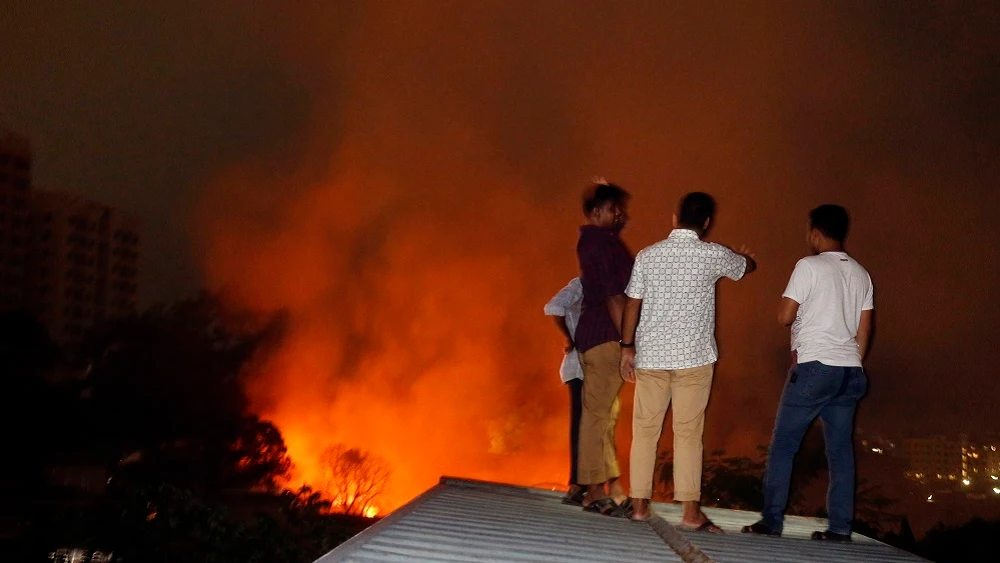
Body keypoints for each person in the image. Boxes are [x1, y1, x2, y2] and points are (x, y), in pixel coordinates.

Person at [619, 192, 757, 529]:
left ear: (673, 217)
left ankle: (639, 505)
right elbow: (744, 268)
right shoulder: (713, 255)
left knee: (645, 432)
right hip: (694, 359)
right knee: (688, 434)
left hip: (651, 356)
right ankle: (690, 513)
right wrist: (744, 258)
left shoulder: (648, 256)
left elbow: (632, 303)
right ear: (707, 223)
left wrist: (627, 347)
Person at [742, 204, 873, 542]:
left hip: (816, 367)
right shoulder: (861, 273)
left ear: (815, 233)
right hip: (850, 372)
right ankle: (840, 527)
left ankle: (772, 521)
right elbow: (864, 331)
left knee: (785, 443)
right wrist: (850, 361)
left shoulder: (808, 266)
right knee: (840, 451)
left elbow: (785, 315)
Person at [574, 180, 634, 515]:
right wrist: (628, 342)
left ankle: (609, 487)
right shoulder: (601, 244)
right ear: (597, 212)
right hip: (606, 336)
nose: (620, 215)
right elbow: (615, 295)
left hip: (600, 336)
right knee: (599, 416)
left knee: (606, 416)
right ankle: (596, 491)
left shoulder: (599, 242)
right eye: (613, 209)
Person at [544, 277, 587, 505]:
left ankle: (589, 483)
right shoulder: (581, 285)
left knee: (594, 425)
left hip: (596, 368)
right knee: (583, 425)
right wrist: (568, 338)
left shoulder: (612, 287)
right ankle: (578, 483)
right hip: (580, 367)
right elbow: (553, 307)